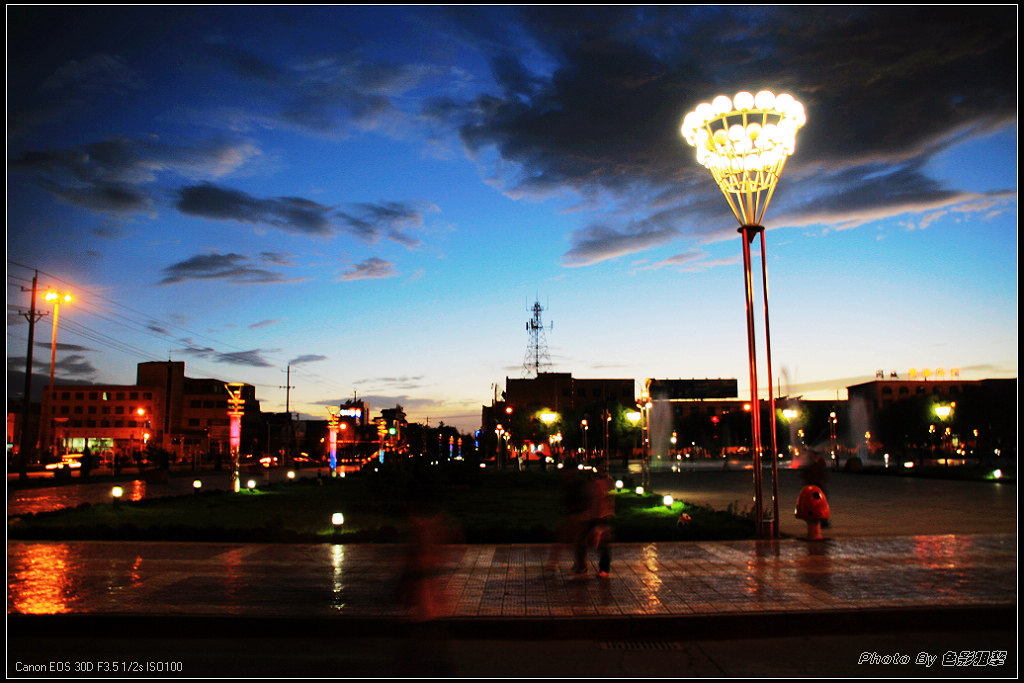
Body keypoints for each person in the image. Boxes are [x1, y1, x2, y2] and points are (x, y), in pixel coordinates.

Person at [573, 463, 615, 578]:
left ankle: (601, 568)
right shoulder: (601, 482)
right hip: (595, 515)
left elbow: (605, 499)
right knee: (586, 541)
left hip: (601, 516)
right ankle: (583, 566)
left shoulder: (603, 482)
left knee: (602, 544)